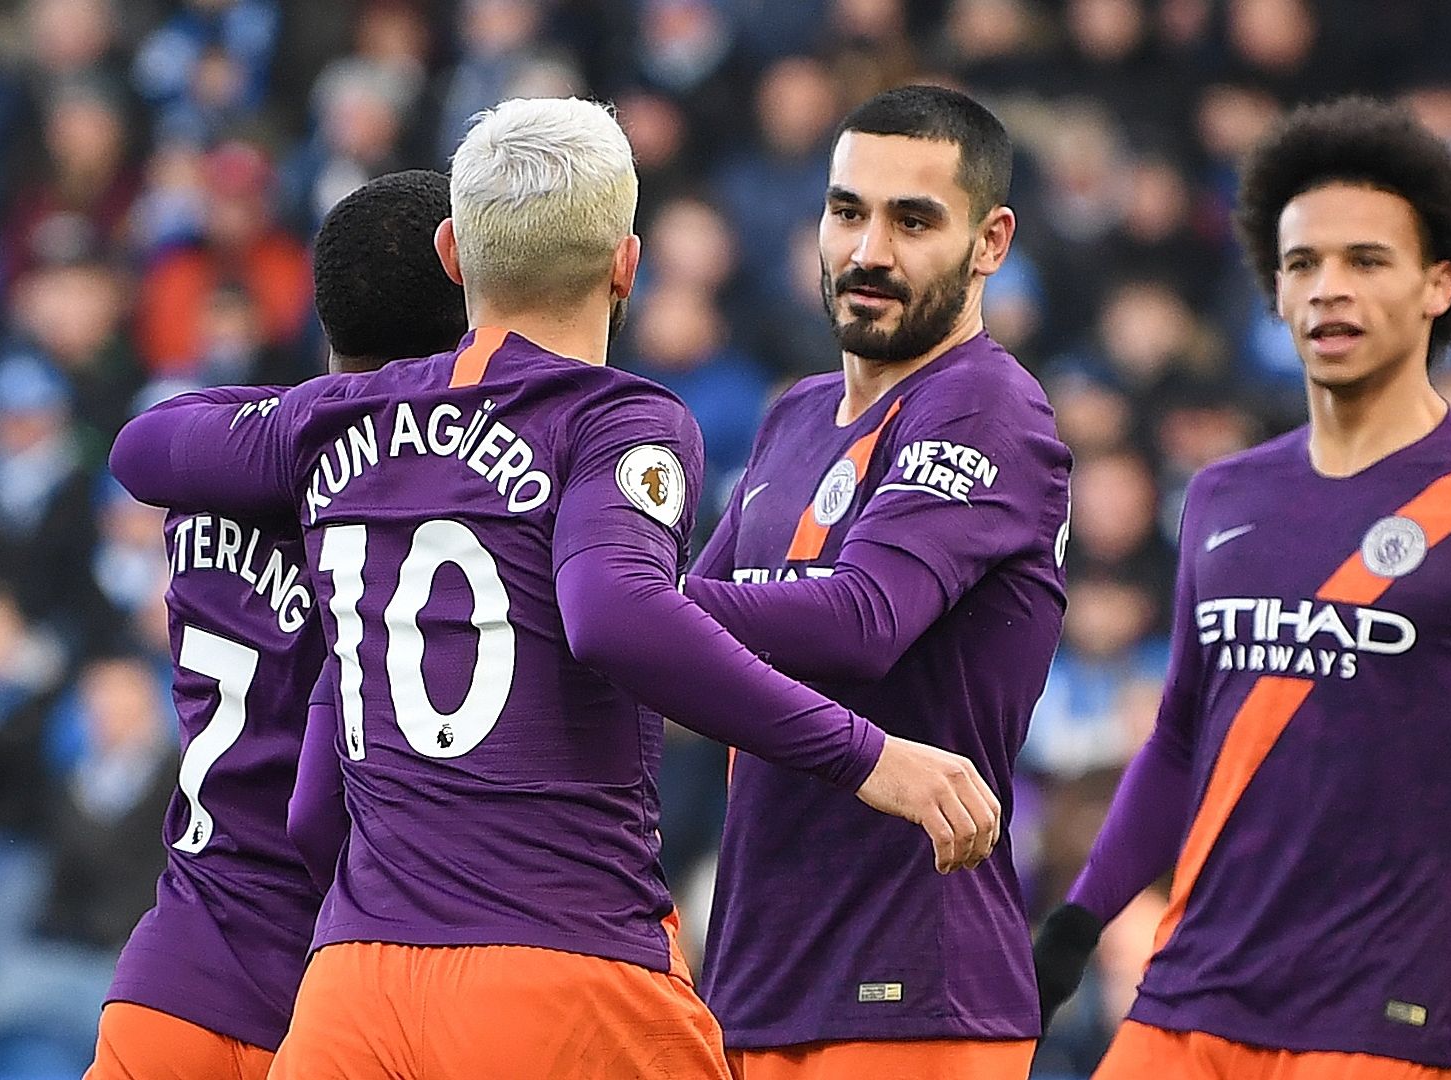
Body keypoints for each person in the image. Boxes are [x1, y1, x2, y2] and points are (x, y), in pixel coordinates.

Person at [108, 96, 1001, 1079]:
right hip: (565, 965)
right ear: (627, 262)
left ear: (455, 254)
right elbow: (616, 614)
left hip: (353, 988)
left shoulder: (333, 423)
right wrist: (870, 759)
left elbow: (145, 446)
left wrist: (350, 419)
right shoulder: (621, 420)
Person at [1030, 98, 1451, 1080]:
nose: (1328, 288)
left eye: (1366, 261)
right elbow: (1177, 741)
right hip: (1188, 993)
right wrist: (1077, 925)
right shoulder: (1221, 494)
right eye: (1302, 264)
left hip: (1381, 1014)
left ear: (1438, 284)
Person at [686, 85, 1071, 1080]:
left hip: (913, 991)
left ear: (992, 242)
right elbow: (674, 655)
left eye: (914, 220)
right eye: (848, 210)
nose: (869, 252)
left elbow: (864, 621)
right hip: (755, 983)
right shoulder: (795, 417)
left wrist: (625, 603)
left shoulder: (987, 406)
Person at [86, 168, 468, 1080]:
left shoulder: (216, 461)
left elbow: (143, 443)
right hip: (334, 987)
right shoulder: (446, 511)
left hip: (172, 968)